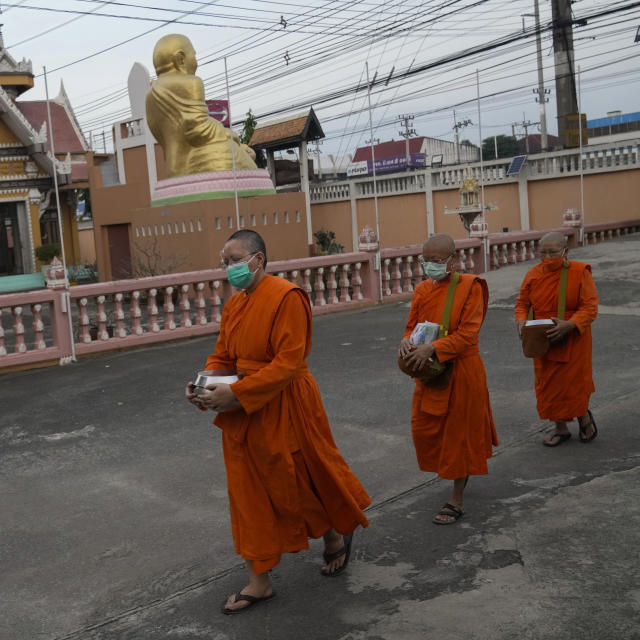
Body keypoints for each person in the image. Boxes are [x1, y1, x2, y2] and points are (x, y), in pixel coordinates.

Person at [185, 229, 370, 615]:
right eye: (225, 262)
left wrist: (236, 393)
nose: (229, 268)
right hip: (242, 410)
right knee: (247, 494)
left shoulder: (287, 297)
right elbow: (222, 356)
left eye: (235, 260)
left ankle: (334, 536)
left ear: (259, 260)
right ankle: (260, 581)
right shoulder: (236, 304)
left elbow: (288, 363)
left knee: (299, 481)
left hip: (285, 401)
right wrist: (205, 385)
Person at [398, 234, 497, 525]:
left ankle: (456, 498)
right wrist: (406, 342)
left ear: (453, 260)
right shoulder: (421, 290)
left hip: (462, 371)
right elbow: (411, 327)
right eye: (426, 261)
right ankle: (454, 478)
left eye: (437, 261)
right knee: (426, 428)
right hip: (430, 370)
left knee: (458, 435)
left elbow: (468, 334)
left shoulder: (470, 287)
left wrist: (435, 348)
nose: (431, 266)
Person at [514, 231, 598, 446]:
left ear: (565, 252)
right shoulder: (533, 275)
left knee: (574, 384)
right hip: (544, 338)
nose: (548, 258)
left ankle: (583, 417)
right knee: (549, 385)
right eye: (543, 253)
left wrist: (570, 325)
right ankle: (560, 428)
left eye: (553, 253)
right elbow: (522, 304)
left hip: (573, 339)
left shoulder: (580, 273)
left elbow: (590, 307)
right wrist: (522, 322)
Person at [145, 34, 257, 178]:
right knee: (238, 154)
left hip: (172, 168)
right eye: (194, 56)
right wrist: (228, 134)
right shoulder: (191, 82)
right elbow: (198, 130)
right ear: (181, 59)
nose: (196, 62)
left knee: (241, 151)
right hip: (194, 162)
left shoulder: (151, 94)